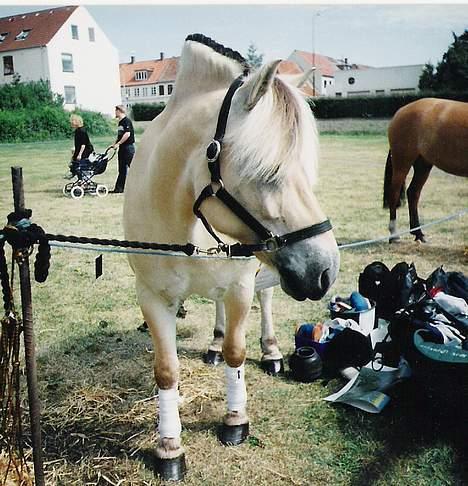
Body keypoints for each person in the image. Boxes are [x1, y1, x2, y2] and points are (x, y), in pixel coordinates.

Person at [109, 105, 135, 193]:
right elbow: (120, 135)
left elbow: (127, 134)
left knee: (134, 168)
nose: (115, 113)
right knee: (122, 169)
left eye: (115, 110)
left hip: (128, 148)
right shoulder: (120, 122)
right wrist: (115, 143)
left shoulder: (126, 121)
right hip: (122, 148)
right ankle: (119, 189)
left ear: (119, 111)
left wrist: (119, 143)